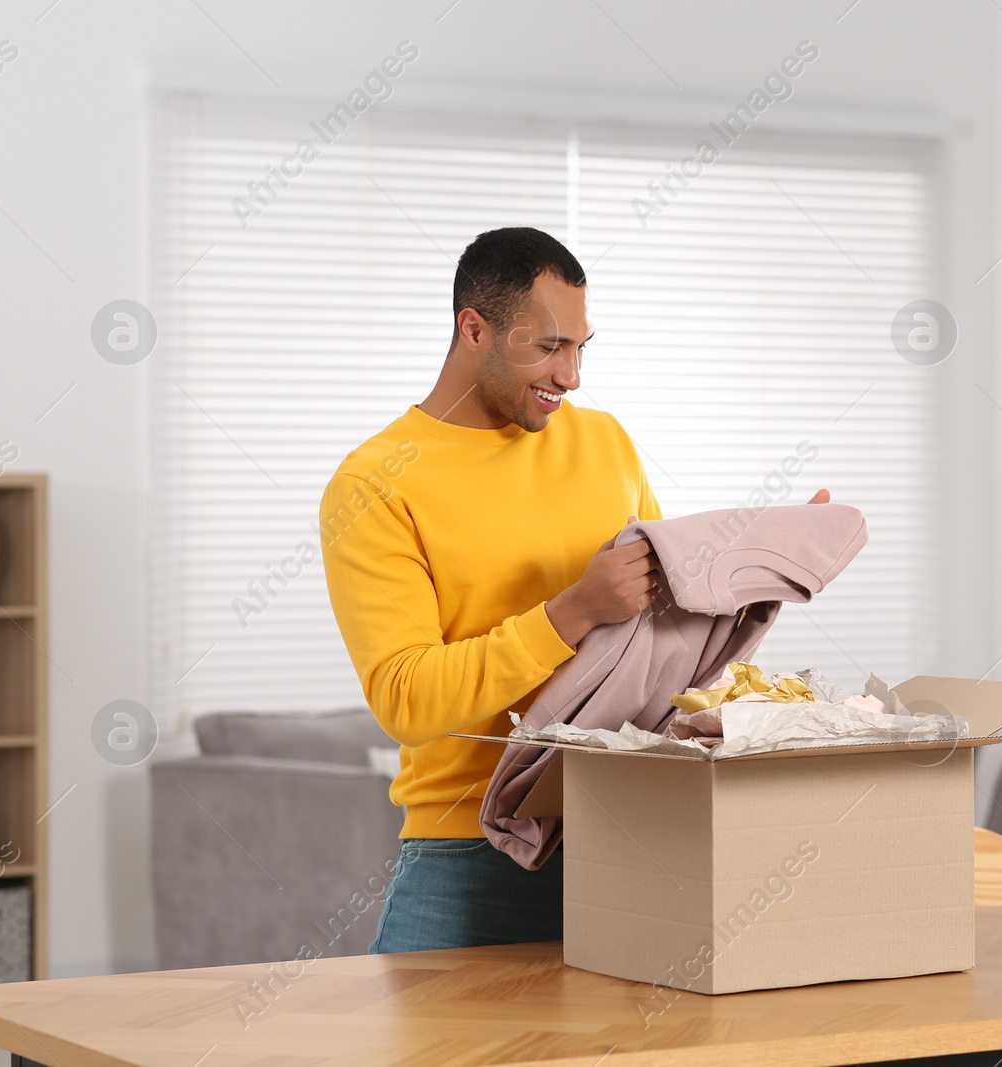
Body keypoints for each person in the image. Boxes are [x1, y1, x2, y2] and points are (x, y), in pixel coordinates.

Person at [320, 227, 825, 951]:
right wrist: (571, 611)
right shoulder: (374, 482)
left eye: (582, 347)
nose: (572, 374)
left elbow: (657, 634)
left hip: (623, 843)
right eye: (549, 346)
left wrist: (759, 566)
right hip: (469, 863)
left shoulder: (605, 442)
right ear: (474, 329)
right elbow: (407, 698)